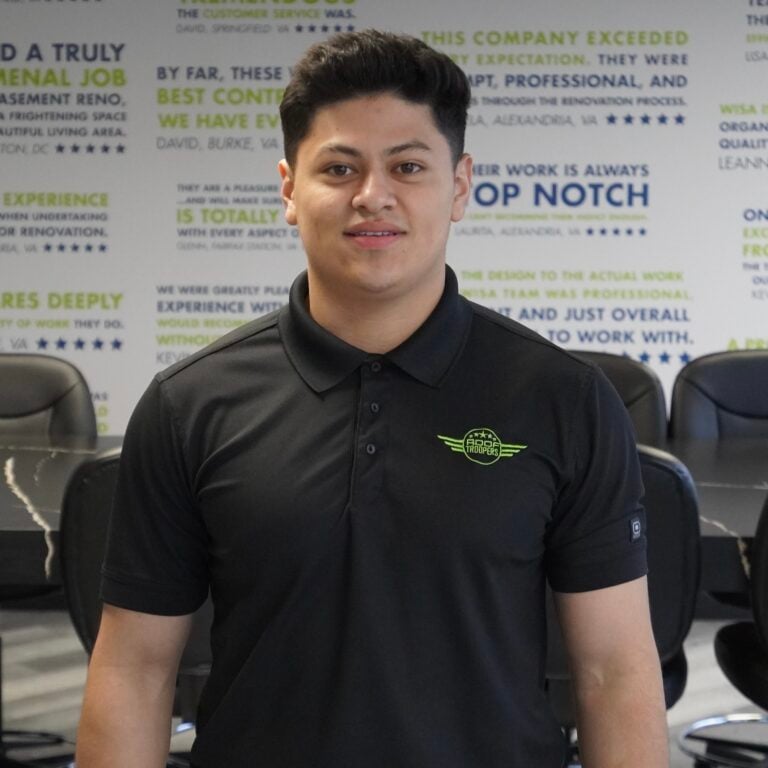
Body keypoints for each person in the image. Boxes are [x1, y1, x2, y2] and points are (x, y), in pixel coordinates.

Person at [76, 29, 669, 768]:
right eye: (340, 167)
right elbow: (135, 670)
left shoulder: (564, 401)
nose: (372, 195)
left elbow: (615, 673)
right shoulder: (190, 404)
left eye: (409, 165)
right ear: (290, 190)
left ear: (459, 187)